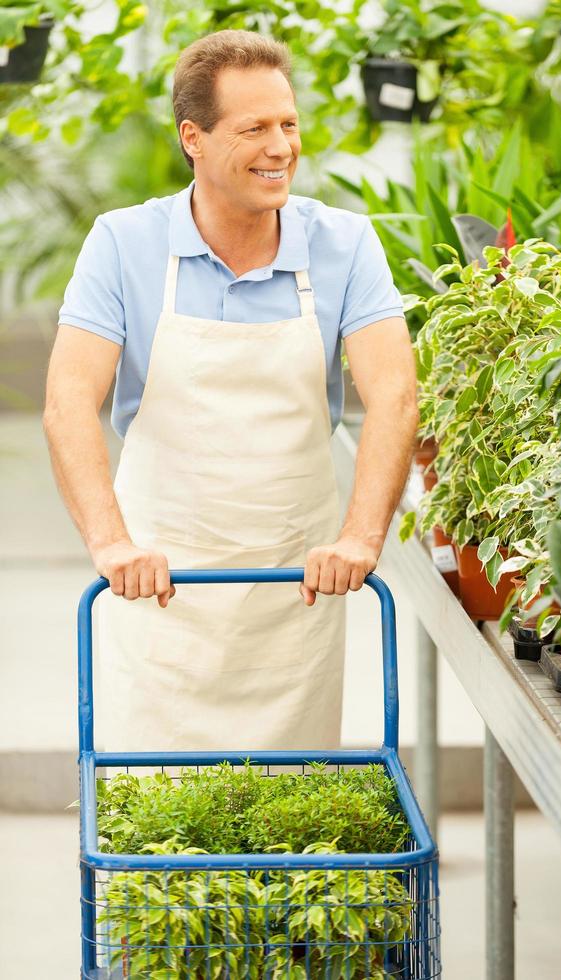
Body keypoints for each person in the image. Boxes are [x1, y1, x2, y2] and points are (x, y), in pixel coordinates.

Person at [43, 29, 418, 752]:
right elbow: (67, 402)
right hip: (160, 587)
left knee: (289, 827)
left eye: (288, 124)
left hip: (298, 590)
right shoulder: (124, 244)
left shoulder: (346, 244)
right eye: (254, 129)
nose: (280, 147)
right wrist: (112, 544)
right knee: (159, 822)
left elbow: (395, 397)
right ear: (194, 138)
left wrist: (360, 540)